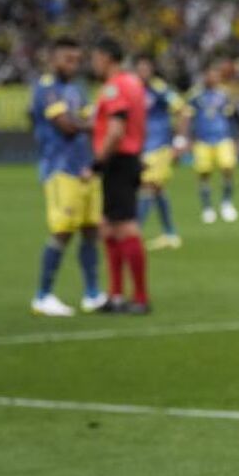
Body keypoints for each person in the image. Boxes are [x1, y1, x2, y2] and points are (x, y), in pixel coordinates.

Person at [29, 37, 105, 316]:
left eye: (76, 59)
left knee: (90, 230)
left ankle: (92, 293)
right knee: (62, 231)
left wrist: (90, 123)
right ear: (53, 59)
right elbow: (67, 126)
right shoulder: (46, 88)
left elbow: (85, 121)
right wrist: (93, 122)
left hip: (84, 167)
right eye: (67, 59)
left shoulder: (77, 88)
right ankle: (43, 295)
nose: (72, 65)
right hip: (60, 168)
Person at [90, 37, 150, 314]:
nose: (93, 63)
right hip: (130, 157)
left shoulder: (115, 86)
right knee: (108, 226)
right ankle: (115, 294)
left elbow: (116, 128)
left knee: (125, 226)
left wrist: (98, 162)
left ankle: (139, 298)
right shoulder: (135, 83)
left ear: (105, 57)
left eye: (95, 57)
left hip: (118, 159)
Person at [135, 55, 187, 249]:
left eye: (146, 69)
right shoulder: (133, 89)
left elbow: (183, 110)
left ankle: (134, 233)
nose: (143, 73)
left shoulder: (160, 88)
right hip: (142, 146)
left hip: (159, 146)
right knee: (157, 189)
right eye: (140, 69)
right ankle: (170, 233)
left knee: (147, 186)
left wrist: (180, 140)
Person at [187, 62, 239, 224]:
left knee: (228, 168)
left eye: (215, 75)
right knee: (204, 173)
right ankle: (207, 208)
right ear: (205, 76)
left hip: (223, 137)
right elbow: (187, 117)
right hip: (202, 140)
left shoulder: (224, 95)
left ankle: (226, 203)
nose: (213, 78)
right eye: (210, 75)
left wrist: (236, 139)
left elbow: (231, 118)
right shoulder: (195, 96)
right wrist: (186, 138)